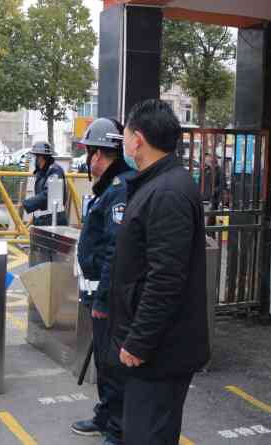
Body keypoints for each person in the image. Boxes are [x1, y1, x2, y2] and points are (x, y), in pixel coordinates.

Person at [107, 99, 209, 445]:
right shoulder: (157, 184)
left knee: (148, 435)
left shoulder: (167, 192)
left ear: (138, 140)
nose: (123, 142)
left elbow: (165, 279)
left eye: (125, 135)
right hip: (154, 351)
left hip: (160, 353)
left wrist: (138, 342)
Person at [70, 118, 135, 445]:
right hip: (99, 294)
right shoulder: (110, 187)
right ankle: (106, 415)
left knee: (112, 365)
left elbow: (115, 250)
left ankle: (117, 429)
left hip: (108, 298)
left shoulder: (119, 189)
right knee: (104, 363)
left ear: (98, 154)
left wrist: (103, 300)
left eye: (89, 153)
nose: (88, 161)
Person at [22, 141, 68, 226]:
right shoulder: (43, 172)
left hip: (53, 220)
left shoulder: (55, 171)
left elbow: (49, 194)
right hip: (44, 218)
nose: (35, 160)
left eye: (36, 157)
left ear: (41, 157)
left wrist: (28, 203)